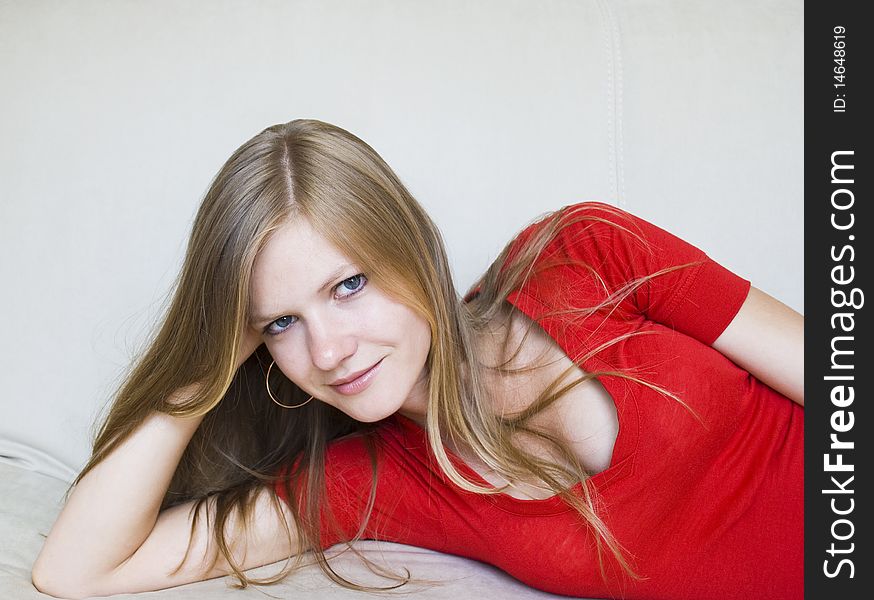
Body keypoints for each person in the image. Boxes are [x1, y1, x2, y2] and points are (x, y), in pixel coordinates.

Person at [31, 119, 804, 600]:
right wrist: (203, 371)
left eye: (349, 285)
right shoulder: (370, 484)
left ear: (412, 246)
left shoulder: (586, 252)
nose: (328, 352)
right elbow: (76, 571)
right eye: (279, 324)